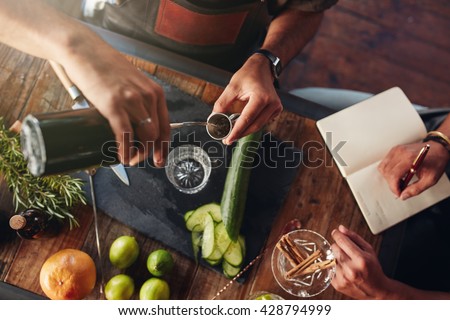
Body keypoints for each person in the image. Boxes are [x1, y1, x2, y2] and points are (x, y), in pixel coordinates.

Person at [0, 0, 337, 166]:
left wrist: (268, 59)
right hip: (113, 33)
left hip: (228, 64)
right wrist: (76, 47)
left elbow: (306, 8)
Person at [292, 87, 450, 299]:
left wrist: (385, 294)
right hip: (433, 138)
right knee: (304, 98)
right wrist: (441, 143)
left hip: (425, 275)